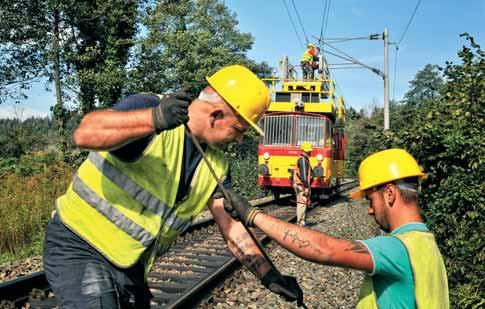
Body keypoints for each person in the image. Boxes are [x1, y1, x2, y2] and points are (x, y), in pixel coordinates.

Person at [43, 64, 303, 308]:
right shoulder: (150, 108)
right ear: (215, 115)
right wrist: (154, 118)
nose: (239, 139)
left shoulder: (216, 165)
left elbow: (233, 229)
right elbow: (85, 133)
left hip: (129, 264)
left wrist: (270, 276)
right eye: (238, 129)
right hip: (79, 245)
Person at [223, 148, 450, 308]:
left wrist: (254, 215)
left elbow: (326, 249)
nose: (370, 210)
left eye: (370, 200)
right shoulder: (426, 245)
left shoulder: (397, 249)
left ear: (389, 194)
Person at [293, 142, 313, 226]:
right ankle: (300, 222)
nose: (310, 152)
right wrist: (306, 187)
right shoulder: (303, 161)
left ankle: (302, 221)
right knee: (302, 203)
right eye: (308, 151)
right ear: (304, 151)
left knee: (302, 203)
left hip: (299, 184)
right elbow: (304, 176)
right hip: (301, 185)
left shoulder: (303, 160)